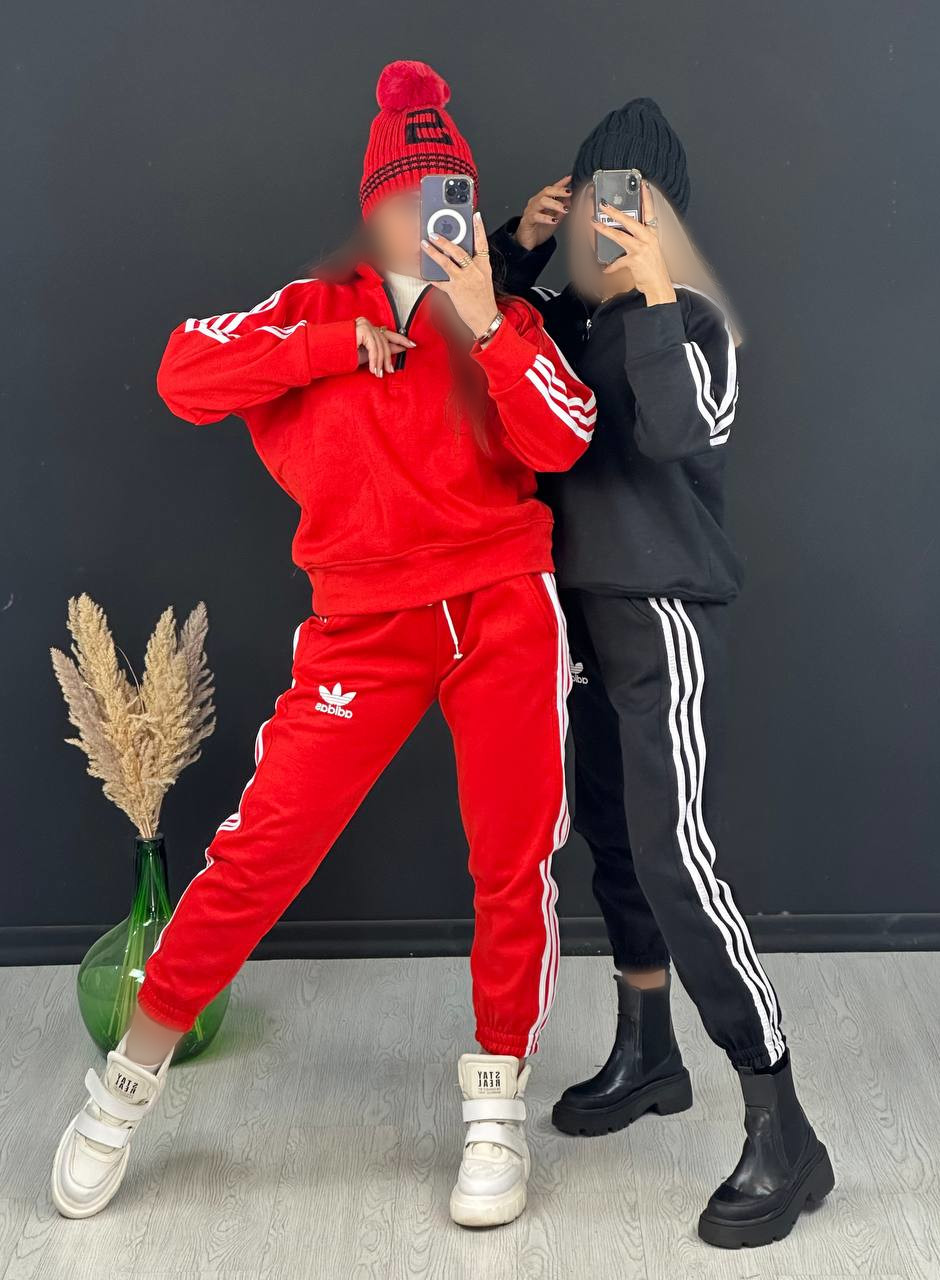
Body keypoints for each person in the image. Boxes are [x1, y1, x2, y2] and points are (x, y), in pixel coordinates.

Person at [51, 59, 597, 1230]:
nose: (433, 209)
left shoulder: (497, 311)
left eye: (451, 188)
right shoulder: (308, 306)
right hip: (363, 623)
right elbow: (184, 371)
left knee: (512, 860)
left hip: (503, 602)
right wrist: (333, 349)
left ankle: (495, 1099)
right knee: (260, 851)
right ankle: (125, 1081)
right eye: (411, 190)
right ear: (374, 201)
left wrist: (488, 319)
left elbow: (562, 440)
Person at [490, 97, 833, 1249]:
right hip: (576, 619)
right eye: (595, 195)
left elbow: (683, 433)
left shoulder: (690, 322)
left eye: (630, 200)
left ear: (663, 214)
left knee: (676, 855)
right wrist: (520, 244)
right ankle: (647, 1052)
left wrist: (643, 291)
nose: (608, 218)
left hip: (662, 618)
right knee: (613, 840)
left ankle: (781, 1121)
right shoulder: (566, 320)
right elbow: (491, 342)